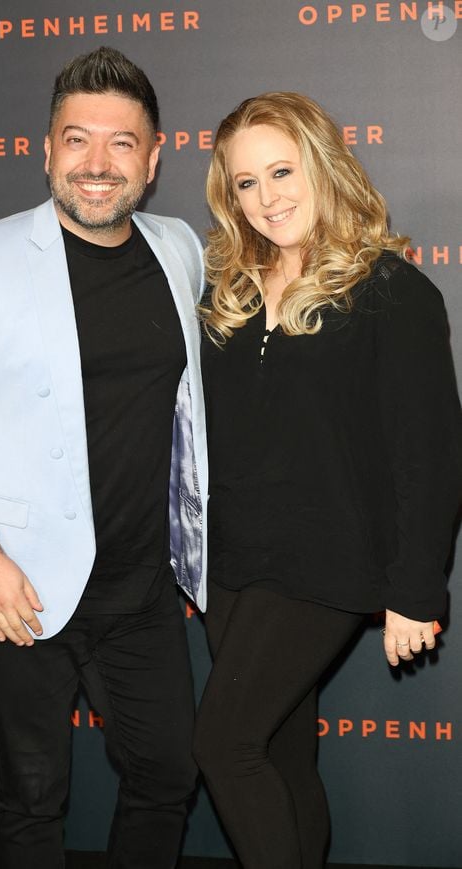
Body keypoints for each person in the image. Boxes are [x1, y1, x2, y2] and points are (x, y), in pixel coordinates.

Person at [0, 47, 207, 869]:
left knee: (169, 774)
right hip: (19, 588)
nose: (97, 165)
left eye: (121, 143)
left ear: (154, 157)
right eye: (77, 140)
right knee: (31, 799)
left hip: (143, 588)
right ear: (45, 150)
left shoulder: (181, 249)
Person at [193, 92, 462, 869]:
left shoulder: (390, 290)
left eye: (281, 171)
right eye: (245, 183)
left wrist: (416, 588)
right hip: (234, 562)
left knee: (224, 743)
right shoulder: (230, 293)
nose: (266, 197)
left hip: (327, 561)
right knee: (279, 754)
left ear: (323, 165)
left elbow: (431, 452)